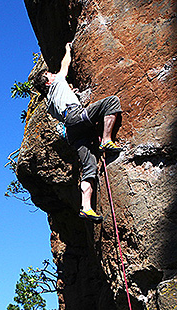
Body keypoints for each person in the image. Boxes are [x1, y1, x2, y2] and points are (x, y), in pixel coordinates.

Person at [31, 42, 122, 223]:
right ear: (49, 81)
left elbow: (63, 101)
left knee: (89, 167)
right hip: (75, 116)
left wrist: (74, 93)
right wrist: (67, 50)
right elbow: (65, 65)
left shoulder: (49, 104)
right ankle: (106, 140)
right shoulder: (57, 81)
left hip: (71, 132)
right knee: (111, 102)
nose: (53, 74)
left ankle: (86, 208)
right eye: (50, 74)